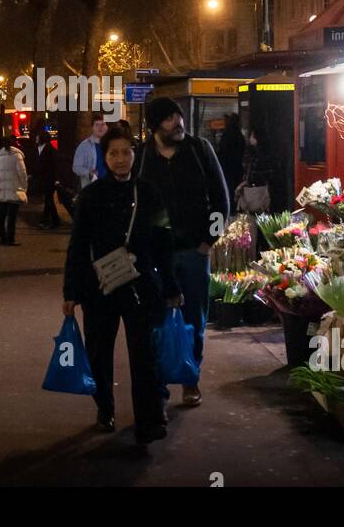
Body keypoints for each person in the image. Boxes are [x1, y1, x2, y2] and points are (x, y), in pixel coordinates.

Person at [63, 126, 183, 445]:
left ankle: (149, 420)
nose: (120, 159)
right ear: (104, 157)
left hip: (141, 287)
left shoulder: (148, 193)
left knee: (144, 355)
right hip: (99, 289)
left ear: (134, 154)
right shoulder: (90, 196)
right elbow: (77, 246)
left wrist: (171, 286)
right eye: (113, 153)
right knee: (98, 353)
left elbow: (163, 240)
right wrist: (70, 292)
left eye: (126, 152)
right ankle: (105, 409)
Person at [137, 96, 230, 407]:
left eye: (178, 116)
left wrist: (208, 242)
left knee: (193, 320)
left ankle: (191, 380)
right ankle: (160, 383)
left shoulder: (200, 149)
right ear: (155, 126)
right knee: (157, 320)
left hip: (193, 251)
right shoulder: (142, 157)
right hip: (154, 256)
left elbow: (221, 200)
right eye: (169, 119)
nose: (178, 123)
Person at [0, 135, 28, 245]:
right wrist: (24, 187)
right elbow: (22, 173)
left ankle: (2, 237)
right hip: (15, 188)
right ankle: (11, 238)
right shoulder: (17, 155)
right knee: (12, 216)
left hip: (1, 189)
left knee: (2, 215)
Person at [236, 127, 278, 213]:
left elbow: (252, 175)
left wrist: (244, 183)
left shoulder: (256, 155)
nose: (250, 138)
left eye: (252, 135)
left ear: (257, 138)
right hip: (264, 191)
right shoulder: (267, 153)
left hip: (256, 192)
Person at [31, 128, 63, 229]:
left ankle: (45, 220)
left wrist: (56, 179)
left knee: (48, 199)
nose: (36, 138)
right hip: (43, 178)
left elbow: (55, 165)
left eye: (37, 136)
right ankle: (55, 220)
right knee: (49, 200)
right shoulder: (39, 149)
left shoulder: (50, 150)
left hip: (50, 178)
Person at [72, 113, 108, 189]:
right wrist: (88, 173)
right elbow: (76, 167)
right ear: (92, 127)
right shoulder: (84, 146)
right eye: (97, 125)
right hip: (92, 187)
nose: (100, 128)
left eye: (102, 124)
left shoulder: (110, 145)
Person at [218, 112, 246, 195]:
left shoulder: (227, 134)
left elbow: (222, 150)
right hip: (237, 166)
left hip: (227, 167)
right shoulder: (239, 135)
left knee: (228, 189)